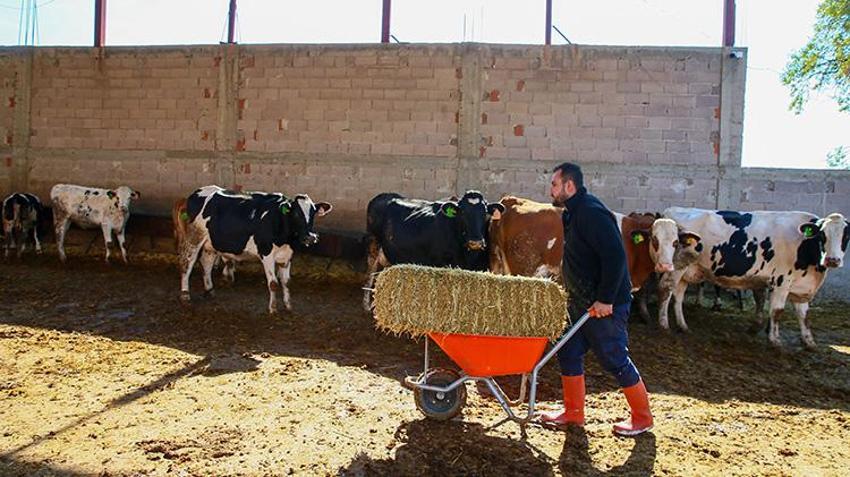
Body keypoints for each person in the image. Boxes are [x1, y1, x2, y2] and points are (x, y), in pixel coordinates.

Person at [541, 162, 653, 436]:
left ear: (569, 185)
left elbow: (615, 257)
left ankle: (642, 417)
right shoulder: (572, 214)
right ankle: (573, 413)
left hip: (604, 304)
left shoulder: (591, 212)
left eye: (554, 184)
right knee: (567, 352)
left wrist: (605, 299)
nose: (550, 190)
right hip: (580, 303)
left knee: (613, 356)